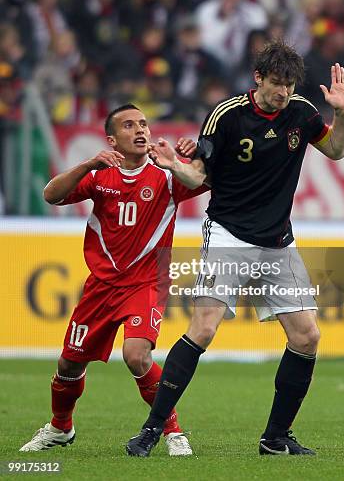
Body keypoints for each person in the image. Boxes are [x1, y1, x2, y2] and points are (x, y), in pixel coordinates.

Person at [126, 39, 344, 457]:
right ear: (258, 78)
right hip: (228, 234)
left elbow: (336, 151)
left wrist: (342, 113)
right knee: (205, 328)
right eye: (276, 83)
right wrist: (176, 166)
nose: (282, 92)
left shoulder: (301, 112)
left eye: (288, 84)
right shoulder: (227, 115)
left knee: (307, 337)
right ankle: (152, 428)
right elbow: (198, 177)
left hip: (278, 242)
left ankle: (275, 438)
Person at [20, 104, 208, 456]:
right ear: (112, 140)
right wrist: (89, 164)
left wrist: (194, 154)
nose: (140, 130)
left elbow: (210, 178)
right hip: (102, 286)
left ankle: (173, 432)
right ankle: (61, 428)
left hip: (147, 282)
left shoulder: (167, 175)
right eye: (128, 125)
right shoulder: (99, 176)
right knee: (68, 364)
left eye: (143, 124)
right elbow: (51, 194)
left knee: (136, 355)